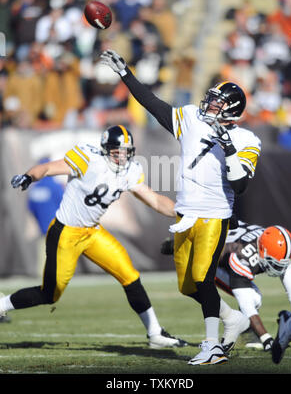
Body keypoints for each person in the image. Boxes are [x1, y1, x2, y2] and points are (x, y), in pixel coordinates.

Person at [100, 50, 261, 365]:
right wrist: (126, 75)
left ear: (232, 110)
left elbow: (241, 185)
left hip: (214, 215)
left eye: (218, 101)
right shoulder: (190, 117)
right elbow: (155, 105)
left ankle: (212, 345)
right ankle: (234, 319)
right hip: (185, 214)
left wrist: (228, 147)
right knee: (188, 286)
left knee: (203, 277)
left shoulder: (246, 139)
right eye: (212, 98)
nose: (210, 104)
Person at [0, 125, 187, 349]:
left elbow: (154, 200)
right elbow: (49, 168)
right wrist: (29, 176)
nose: (122, 157)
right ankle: (2, 304)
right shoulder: (88, 158)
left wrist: (184, 212)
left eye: (126, 152)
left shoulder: (131, 170)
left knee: (130, 276)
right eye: (117, 152)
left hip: (92, 232)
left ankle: (155, 333)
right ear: (107, 149)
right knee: (50, 295)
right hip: (66, 233)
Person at [161, 221, 291, 352]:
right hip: (209, 256)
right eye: (274, 264)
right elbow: (247, 305)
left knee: (260, 292)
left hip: (220, 237)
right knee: (254, 298)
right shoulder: (241, 257)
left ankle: (249, 332)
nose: (277, 268)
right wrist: (266, 339)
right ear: (261, 250)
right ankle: (177, 245)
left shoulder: (274, 247)